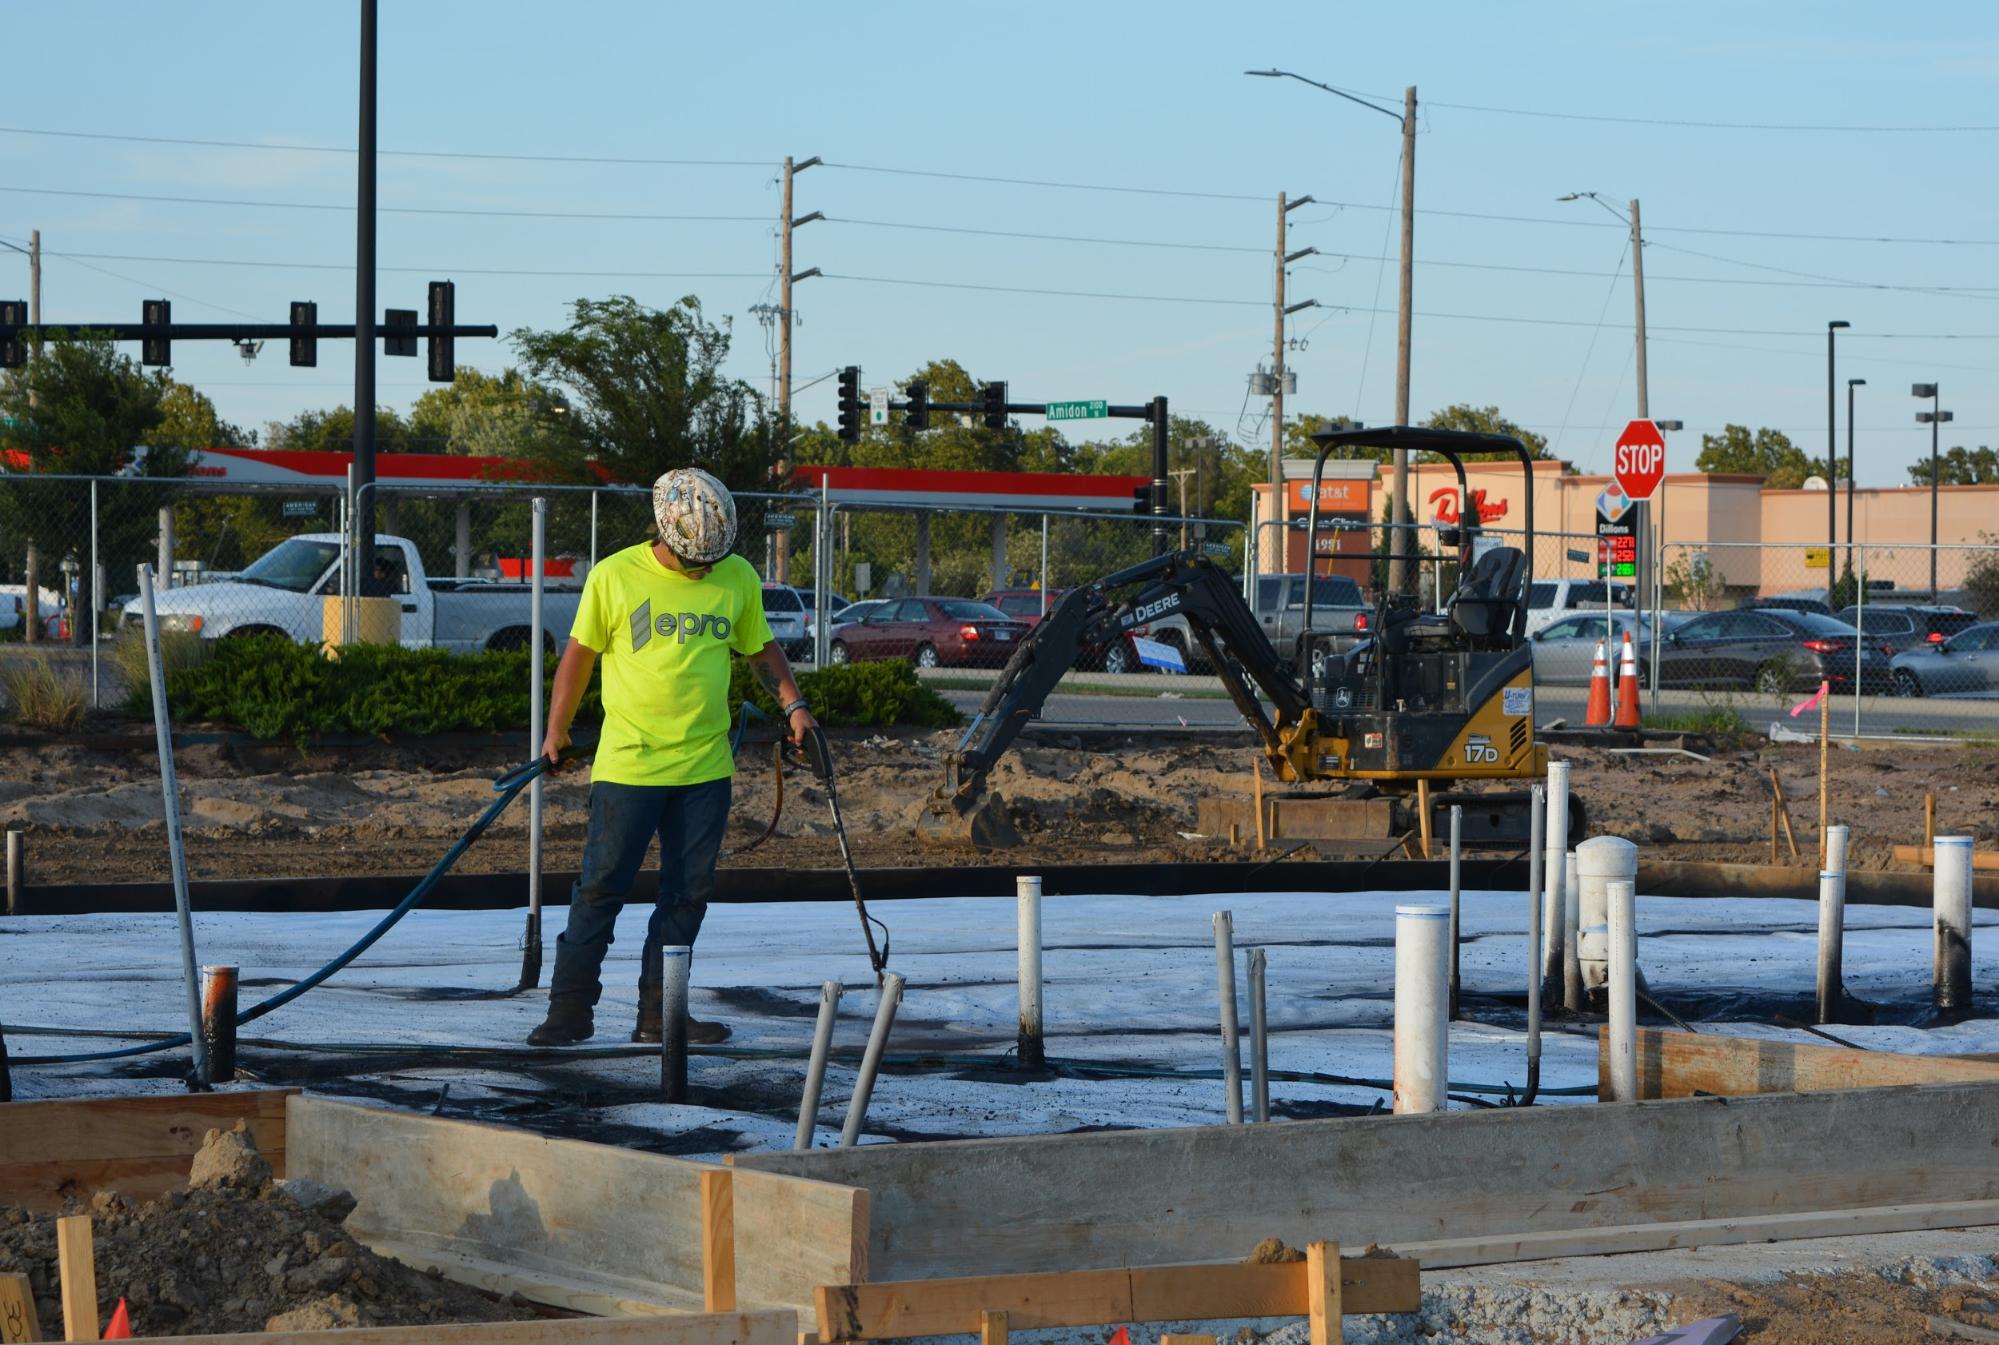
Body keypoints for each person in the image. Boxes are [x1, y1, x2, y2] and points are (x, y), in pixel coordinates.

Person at [527, 467, 818, 1047]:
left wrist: (795, 707)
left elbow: (761, 648)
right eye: (694, 561)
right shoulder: (614, 577)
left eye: (712, 560)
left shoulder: (735, 576)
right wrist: (555, 730)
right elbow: (579, 657)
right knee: (600, 889)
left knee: (687, 895)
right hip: (629, 766)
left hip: (705, 769)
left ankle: (663, 1014)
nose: (704, 570)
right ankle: (569, 1012)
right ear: (664, 531)